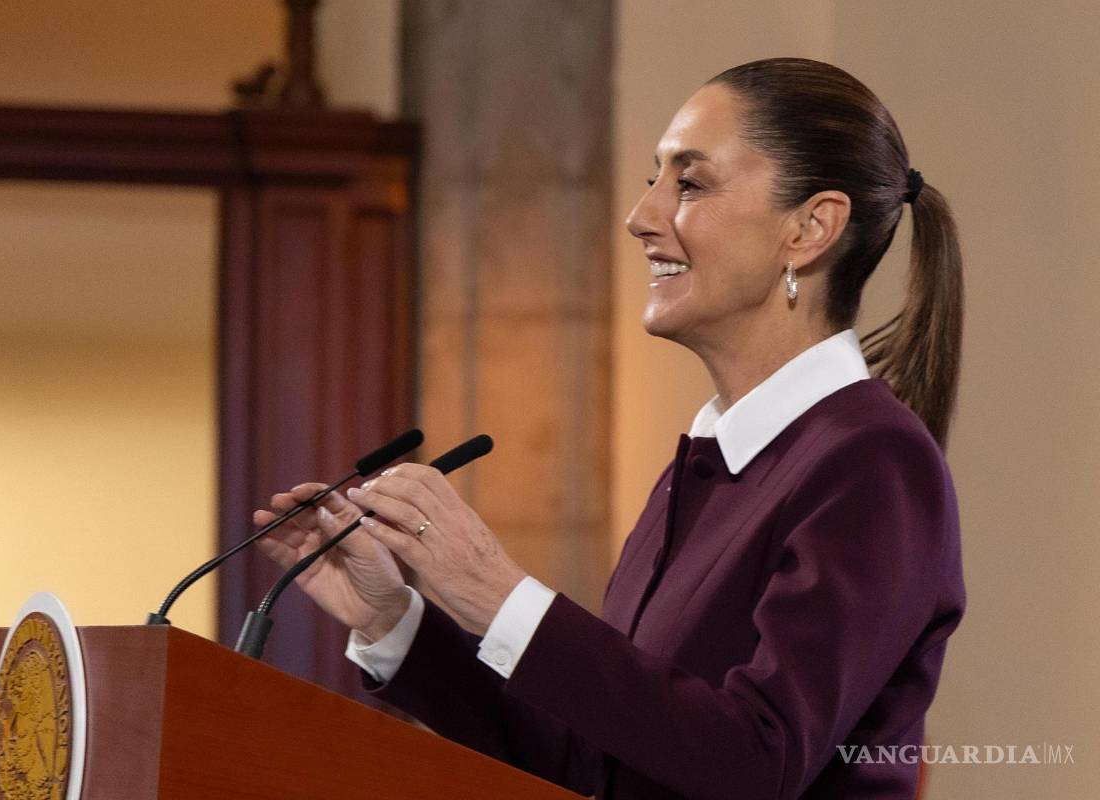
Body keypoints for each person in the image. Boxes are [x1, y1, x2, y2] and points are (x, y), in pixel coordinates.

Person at [255, 57, 966, 800]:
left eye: (690, 184)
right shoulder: (707, 467)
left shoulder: (872, 461)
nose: (641, 216)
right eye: (655, 179)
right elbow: (596, 763)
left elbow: (759, 762)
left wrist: (498, 593)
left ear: (811, 228)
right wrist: (395, 624)